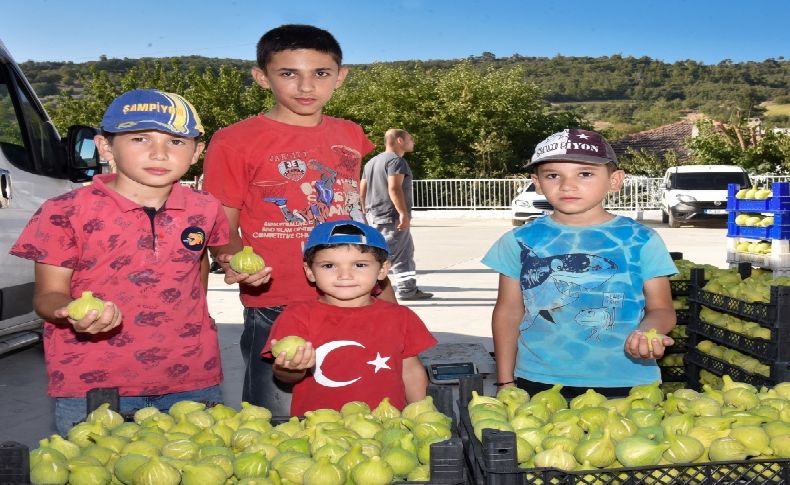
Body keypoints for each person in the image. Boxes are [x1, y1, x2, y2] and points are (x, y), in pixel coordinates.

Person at [201, 24, 395, 415]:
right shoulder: (234, 140)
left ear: (339, 77)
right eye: (289, 73)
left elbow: (350, 209)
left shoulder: (350, 133)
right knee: (277, 417)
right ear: (262, 77)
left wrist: (381, 284)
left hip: (357, 294)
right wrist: (235, 261)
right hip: (278, 301)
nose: (306, 87)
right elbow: (220, 225)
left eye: (320, 74)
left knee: (363, 408)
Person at [10, 89, 229, 434]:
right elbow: (47, 296)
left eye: (175, 141)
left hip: (192, 376)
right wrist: (70, 312)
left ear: (196, 151)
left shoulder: (206, 208)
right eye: (140, 138)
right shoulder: (63, 212)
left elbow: (200, 266)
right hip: (93, 384)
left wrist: (236, 267)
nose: (159, 152)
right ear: (106, 147)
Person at [482, 128, 677, 399]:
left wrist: (646, 332)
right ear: (536, 182)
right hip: (538, 379)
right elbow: (508, 313)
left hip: (628, 380)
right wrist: (505, 381)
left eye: (585, 173)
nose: (567, 185)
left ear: (615, 180)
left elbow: (662, 309)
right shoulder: (518, 240)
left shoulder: (641, 239)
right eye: (553, 175)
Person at [262, 220, 436, 415]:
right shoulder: (296, 316)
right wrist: (291, 368)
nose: (345, 275)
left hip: (388, 431)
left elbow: (411, 371)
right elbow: (284, 377)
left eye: (359, 265)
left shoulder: (401, 317)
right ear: (310, 271)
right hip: (319, 432)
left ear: (382, 270)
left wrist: (422, 415)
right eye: (329, 266)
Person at [361, 129, 433, 301]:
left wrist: (364, 211)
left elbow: (361, 188)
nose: (413, 141)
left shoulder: (372, 162)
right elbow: (394, 188)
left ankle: (408, 289)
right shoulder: (396, 161)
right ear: (399, 140)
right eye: (410, 138)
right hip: (390, 215)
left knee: (404, 252)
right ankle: (364, 289)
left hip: (375, 213)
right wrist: (402, 213)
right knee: (385, 254)